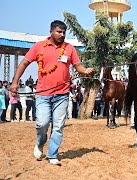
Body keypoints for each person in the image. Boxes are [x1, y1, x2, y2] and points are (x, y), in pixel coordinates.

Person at [10, 20, 94, 166]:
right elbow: (23, 63)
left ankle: (52, 155)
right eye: (59, 32)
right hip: (43, 94)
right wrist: (15, 82)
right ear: (51, 32)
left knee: (58, 126)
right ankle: (40, 142)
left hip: (62, 94)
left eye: (64, 32)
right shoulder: (38, 47)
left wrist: (85, 71)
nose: (62, 35)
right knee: (42, 123)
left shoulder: (69, 48)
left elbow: (78, 65)